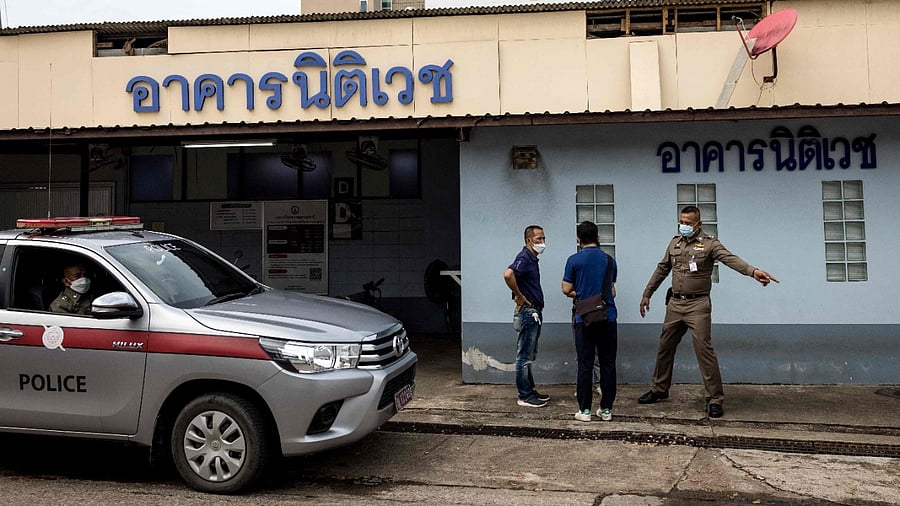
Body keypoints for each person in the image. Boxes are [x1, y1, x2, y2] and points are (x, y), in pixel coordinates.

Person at [638, 206, 779, 418]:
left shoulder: (710, 244)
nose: (683, 226)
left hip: (698, 306)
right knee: (665, 347)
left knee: (704, 350)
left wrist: (753, 272)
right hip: (675, 305)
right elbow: (662, 269)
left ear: (698, 224)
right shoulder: (674, 242)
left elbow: (731, 259)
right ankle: (659, 389)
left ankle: (714, 398)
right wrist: (647, 293)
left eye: (688, 223)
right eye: (681, 222)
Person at [562, 221, 618, 422]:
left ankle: (584, 411)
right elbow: (611, 290)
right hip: (608, 317)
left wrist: (583, 295)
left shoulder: (574, 260)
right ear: (598, 237)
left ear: (579, 239)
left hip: (583, 318)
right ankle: (606, 410)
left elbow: (566, 289)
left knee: (585, 364)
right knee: (608, 363)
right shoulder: (610, 261)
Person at [503, 225, 549, 408]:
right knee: (524, 356)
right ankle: (525, 395)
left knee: (529, 354)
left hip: (534, 311)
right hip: (528, 313)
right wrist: (519, 295)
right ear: (529, 240)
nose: (542, 242)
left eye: (543, 238)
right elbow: (508, 274)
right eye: (538, 239)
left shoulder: (532, 259)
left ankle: (530, 389)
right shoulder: (524, 258)